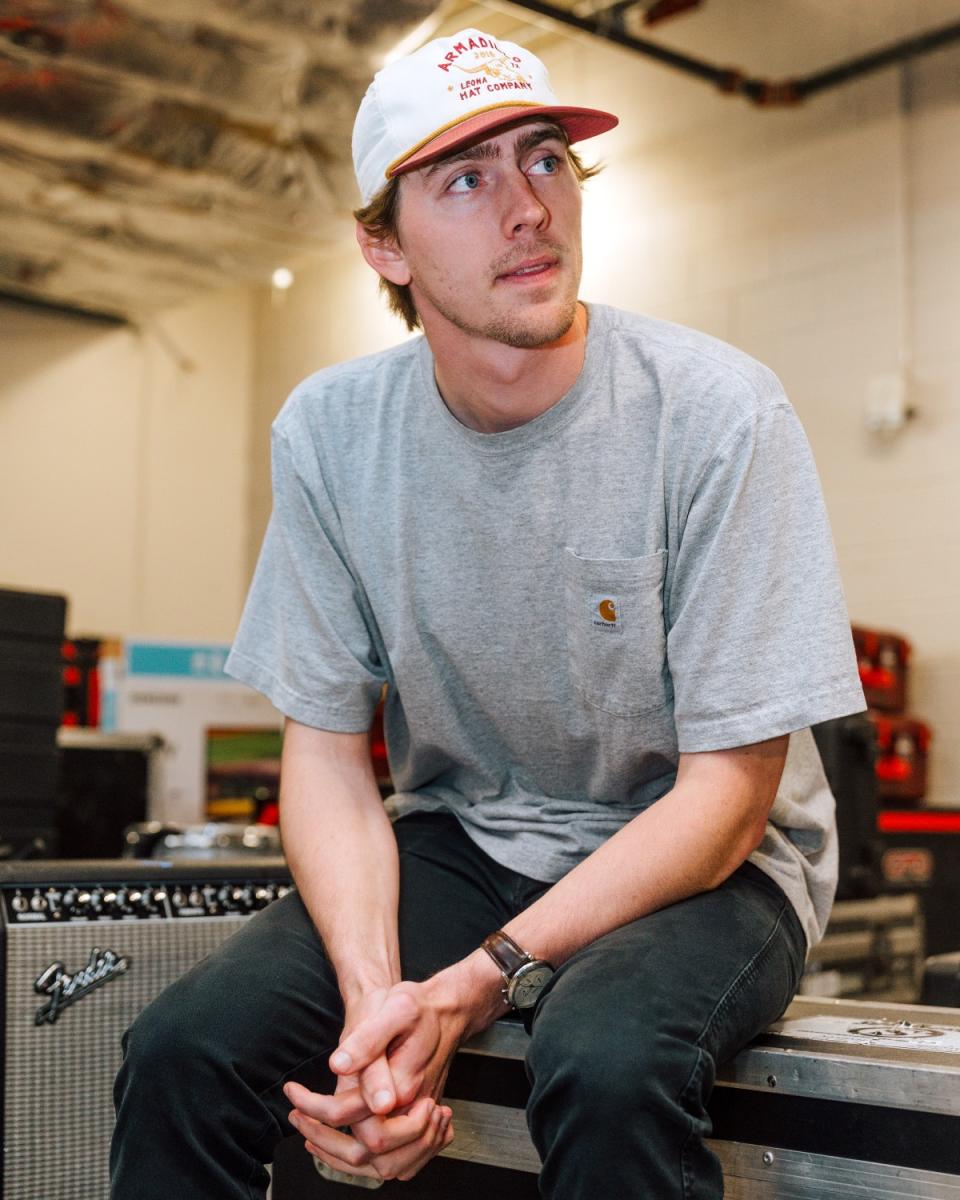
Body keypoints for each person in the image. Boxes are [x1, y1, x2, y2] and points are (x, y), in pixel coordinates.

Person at [110, 27, 866, 1200]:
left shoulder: (719, 414)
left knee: (608, 1063)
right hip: (466, 839)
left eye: (546, 160)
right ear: (382, 243)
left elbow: (729, 797)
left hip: (709, 862)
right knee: (182, 1051)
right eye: (466, 177)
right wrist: (372, 1000)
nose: (529, 208)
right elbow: (322, 755)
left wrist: (483, 975)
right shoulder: (331, 433)